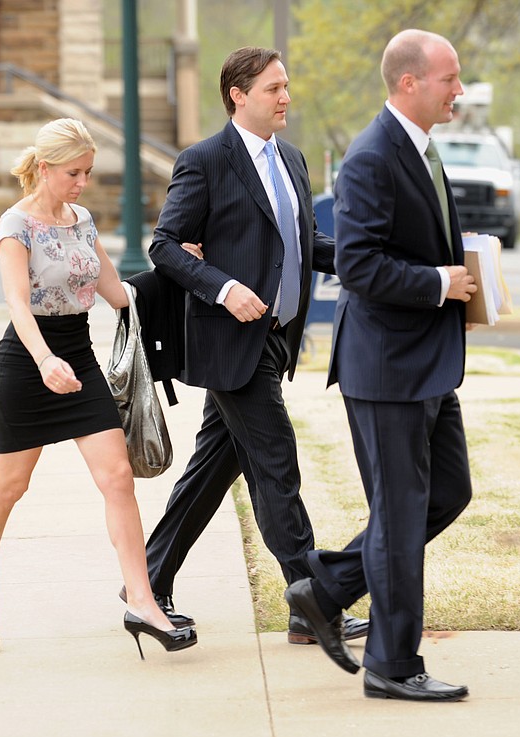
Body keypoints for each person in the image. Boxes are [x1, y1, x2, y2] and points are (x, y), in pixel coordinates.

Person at [136, 46, 369, 645]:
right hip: (229, 340)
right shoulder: (205, 161)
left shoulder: (291, 159)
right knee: (276, 467)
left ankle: (146, 584)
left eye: (286, 86)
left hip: (273, 340)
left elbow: (306, 241)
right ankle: (312, 605)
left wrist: (370, 263)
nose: (284, 96)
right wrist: (224, 288)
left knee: (213, 469)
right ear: (238, 95)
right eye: (272, 88)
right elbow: (164, 245)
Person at [284, 29, 476, 701]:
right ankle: (393, 666)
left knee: (447, 493)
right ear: (409, 83)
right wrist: (437, 284)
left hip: (426, 362)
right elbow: (359, 265)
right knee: (398, 518)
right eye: (450, 78)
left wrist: (465, 275)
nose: (459, 89)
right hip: (388, 367)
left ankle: (327, 585)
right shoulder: (370, 157)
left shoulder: (420, 150)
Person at [0, 118, 197, 659]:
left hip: (80, 360)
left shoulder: (82, 220)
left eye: (88, 172)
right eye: (73, 172)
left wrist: (183, 268)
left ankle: (142, 600)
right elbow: (18, 303)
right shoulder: (14, 226)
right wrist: (44, 361)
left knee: (117, 477)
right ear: (44, 168)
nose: (82, 183)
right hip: (26, 364)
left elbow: (115, 291)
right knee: (10, 488)